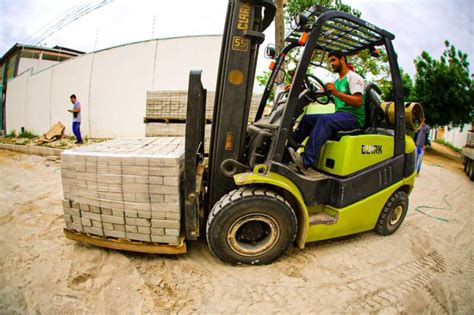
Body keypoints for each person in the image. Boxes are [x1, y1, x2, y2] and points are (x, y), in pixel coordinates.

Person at [289, 50, 366, 173]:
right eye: (330, 61)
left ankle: (306, 160)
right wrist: (298, 90)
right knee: (308, 119)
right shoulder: (337, 81)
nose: (332, 63)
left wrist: (336, 93)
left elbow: (358, 101)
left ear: (342, 60)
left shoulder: (354, 78)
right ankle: (287, 150)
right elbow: (320, 93)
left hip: (354, 118)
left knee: (325, 120)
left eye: (333, 60)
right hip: (340, 116)